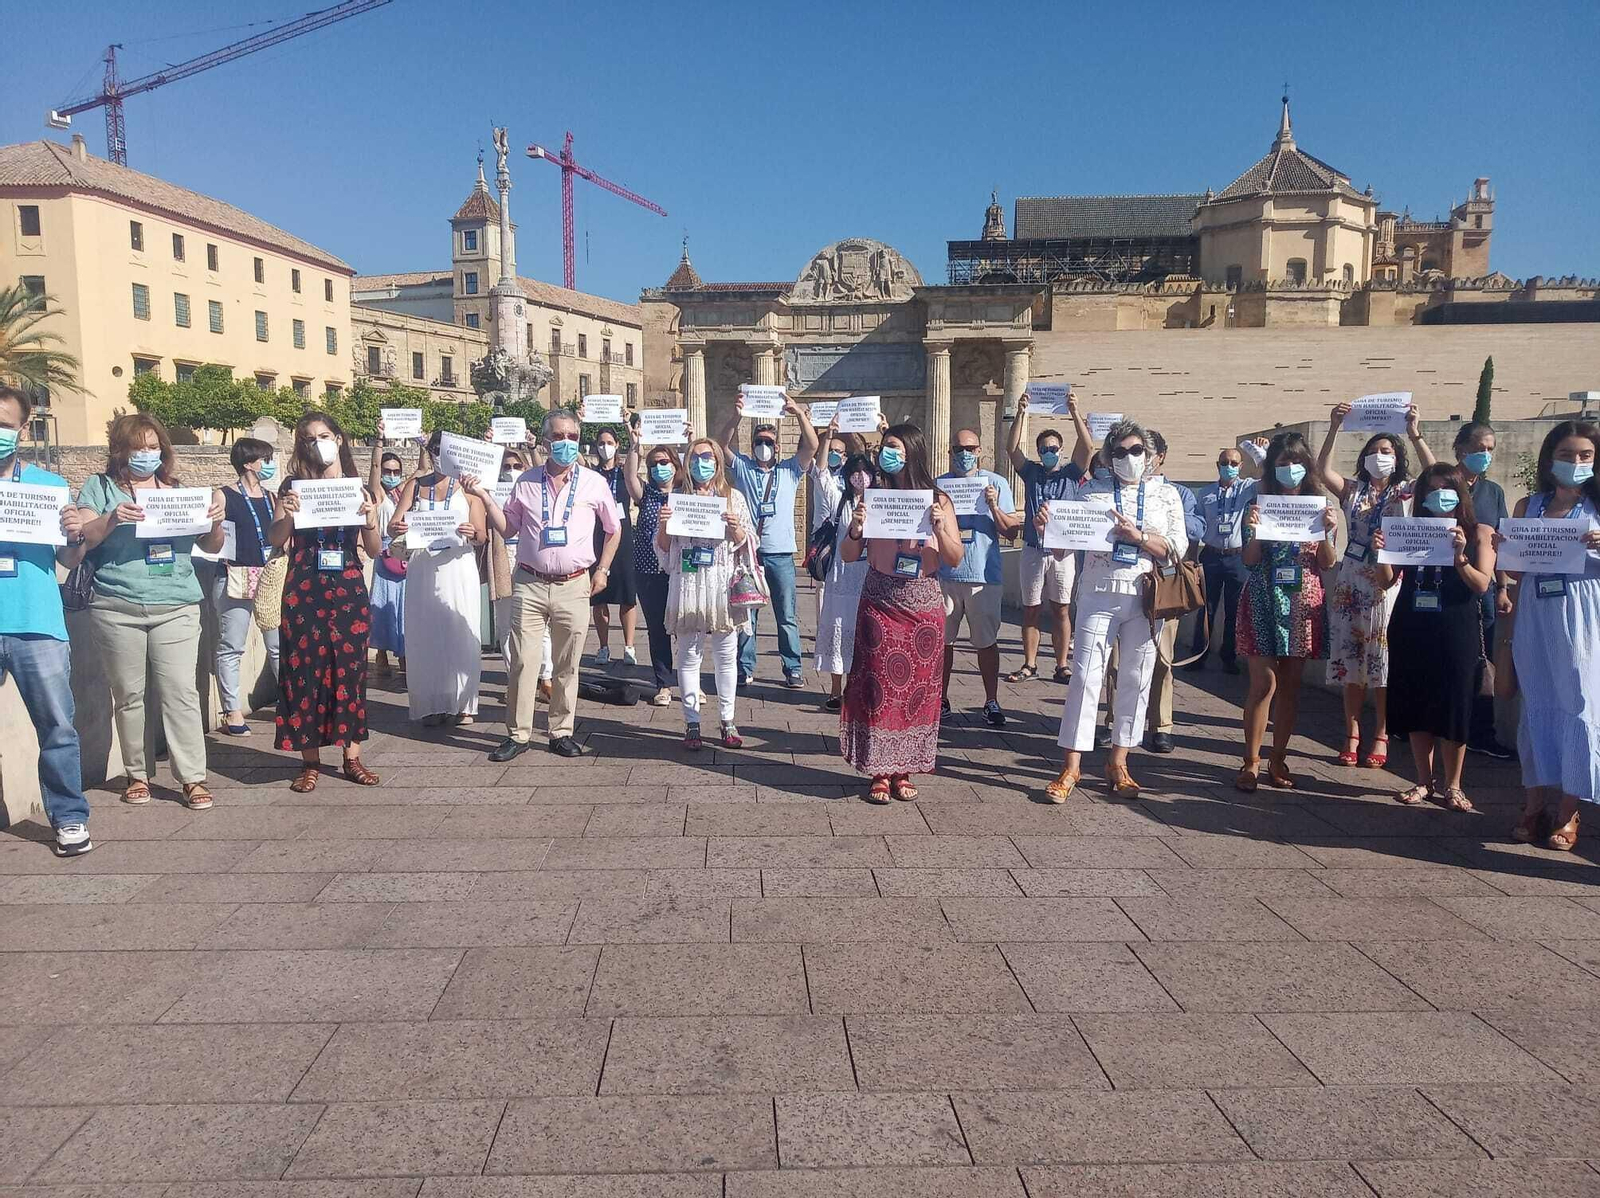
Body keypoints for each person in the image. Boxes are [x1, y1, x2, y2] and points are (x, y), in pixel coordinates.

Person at [76, 413, 225, 810]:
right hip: (116, 605)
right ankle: (137, 774)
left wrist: (215, 522)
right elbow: (83, 538)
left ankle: (192, 777)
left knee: (180, 690)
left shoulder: (177, 490)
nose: (148, 453)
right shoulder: (100, 487)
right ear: (121, 450)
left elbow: (210, 546)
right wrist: (112, 519)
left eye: (154, 446)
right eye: (140, 447)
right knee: (128, 694)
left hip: (176, 603)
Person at [1044, 419, 1187, 803]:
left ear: (1151, 455)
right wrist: (1051, 531)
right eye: (1120, 452)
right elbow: (1063, 548)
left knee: (1136, 678)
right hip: (1097, 593)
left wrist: (1139, 537)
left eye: (1136, 450)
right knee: (1085, 677)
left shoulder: (1167, 495)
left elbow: (1178, 548)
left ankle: (1119, 762)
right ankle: (1071, 765)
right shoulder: (1091, 491)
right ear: (1108, 456)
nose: (1128, 458)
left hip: (1145, 597)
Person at [469, 409, 621, 761]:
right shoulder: (526, 481)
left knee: (568, 662)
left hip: (575, 583)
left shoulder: (593, 482)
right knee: (523, 660)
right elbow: (508, 529)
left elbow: (614, 529)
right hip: (530, 582)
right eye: (558, 436)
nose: (565, 443)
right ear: (545, 440)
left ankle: (561, 731)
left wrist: (604, 570)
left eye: (571, 436)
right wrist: (486, 497)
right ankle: (518, 733)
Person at [840, 423, 963, 802]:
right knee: (879, 685)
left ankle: (904, 768)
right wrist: (857, 529)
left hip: (922, 603)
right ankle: (879, 769)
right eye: (884, 447)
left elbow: (954, 559)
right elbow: (848, 555)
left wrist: (940, 530)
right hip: (880, 600)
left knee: (916, 691)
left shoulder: (938, 500)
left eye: (892, 446)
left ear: (911, 450)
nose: (885, 453)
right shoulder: (874, 497)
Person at [0, 383, 93, 854]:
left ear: (22, 430)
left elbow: (71, 559)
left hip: (37, 623)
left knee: (57, 727)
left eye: (4, 424)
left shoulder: (50, 487)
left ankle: (70, 818)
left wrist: (76, 535)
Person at [268, 412, 383, 792]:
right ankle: (310, 760)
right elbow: (276, 538)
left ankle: (352, 757)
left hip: (347, 587)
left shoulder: (357, 489)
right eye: (308, 437)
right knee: (305, 673)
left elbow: (374, 547)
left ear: (338, 438)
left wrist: (369, 518)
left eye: (323, 435)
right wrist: (288, 510)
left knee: (349, 673)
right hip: (304, 586)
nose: (317, 442)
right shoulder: (292, 486)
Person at [1317, 401, 1433, 770]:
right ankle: (1351, 732)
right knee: (1351, 661)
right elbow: (1323, 471)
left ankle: (1381, 733)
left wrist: (1414, 434)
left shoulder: (1406, 491)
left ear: (1396, 458)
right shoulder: (1354, 491)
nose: (1379, 457)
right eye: (1373, 451)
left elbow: (1436, 474)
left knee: (1381, 661)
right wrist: (1334, 427)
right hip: (1352, 576)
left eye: (1385, 452)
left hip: (1387, 580)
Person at [1373, 463, 1496, 811]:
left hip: (1456, 625)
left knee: (1454, 703)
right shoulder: (1409, 529)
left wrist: (1459, 558)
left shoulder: (1478, 532)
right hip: (1412, 622)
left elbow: (1482, 584)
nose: (1440, 494)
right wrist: (1381, 550)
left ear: (1460, 493)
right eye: (1432, 488)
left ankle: (1453, 785)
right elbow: (1385, 580)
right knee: (1416, 699)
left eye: (1447, 488)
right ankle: (1422, 781)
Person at [1503, 421, 1600, 852]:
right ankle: (1533, 803)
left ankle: (1569, 809)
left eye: (1584, 456)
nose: (1575, 463)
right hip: (1535, 613)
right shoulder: (1530, 505)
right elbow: (1513, 570)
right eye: (1566, 455)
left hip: (1581, 613)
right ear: (1549, 459)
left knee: (1578, 703)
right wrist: (1509, 545)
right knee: (1537, 702)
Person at [1234, 432, 1338, 792]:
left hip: (1301, 601)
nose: (1289, 470)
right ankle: (1251, 761)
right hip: (1263, 596)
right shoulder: (1259, 502)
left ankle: (1278, 758)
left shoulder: (1318, 504)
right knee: (1264, 683)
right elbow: (1249, 561)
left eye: (1295, 463)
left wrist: (1326, 532)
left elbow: (1327, 561)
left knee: (1291, 688)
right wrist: (1256, 531)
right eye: (1282, 464)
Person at [1099, 429, 1201, 753]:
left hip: (1165, 584)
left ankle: (1161, 725)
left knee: (1162, 659)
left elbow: (1196, 529)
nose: (1136, 460)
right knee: (1116, 661)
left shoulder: (1176, 493)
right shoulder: (1114, 490)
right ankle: (1115, 721)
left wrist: (1148, 530)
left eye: (1144, 452)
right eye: (1126, 453)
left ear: (1159, 457)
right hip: (1125, 582)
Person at [655, 438, 754, 748]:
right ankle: (692, 722)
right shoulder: (677, 499)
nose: (702, 463)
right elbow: (664, 550)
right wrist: (663, 526)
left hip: (721, 581)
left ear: (717, 462)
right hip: (688, 582)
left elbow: (749, 544)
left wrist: (736, 528)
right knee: (688, 655)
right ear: (687, 463)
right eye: (696, 458)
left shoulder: (733, 498)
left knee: (726, 655)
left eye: (708, 457)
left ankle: (728, 720)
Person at [718, 392, 819, 688]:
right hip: (749, 552)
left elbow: (812, 446)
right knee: (746, 612)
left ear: (777, 447)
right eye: (759, 441)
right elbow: (721, 446)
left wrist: (799, 414)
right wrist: (736, 415)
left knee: (786, 615)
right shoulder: (744, 468)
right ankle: (745, 666)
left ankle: (792, 668)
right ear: (753, 446)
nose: (764, 446)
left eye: (768, 442)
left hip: (781, 555)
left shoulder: (789, 470)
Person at [388, 431, 488, 726]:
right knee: (426, 635)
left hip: (457, 567)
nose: (439, 456)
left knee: (461, 632)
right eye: (435, 451)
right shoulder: (414, 486)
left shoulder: (469, 490)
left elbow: (482, 535)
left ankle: (464, 704)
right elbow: (395, 524)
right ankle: (432, 702)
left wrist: (473, 532)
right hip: (423, 567)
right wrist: (399, 527)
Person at [1006, 390, 1092, 684]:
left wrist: (1074, 411)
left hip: (1063, 552)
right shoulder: (1031, 472)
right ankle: (1029, 664)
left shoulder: (1071, 473)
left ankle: (1062, 664)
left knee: (1061, 608)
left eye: (1053, 447)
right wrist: (1020, 413)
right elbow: (1012, 448)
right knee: (1031, 609)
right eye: (1044, 448)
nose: (1048, 452)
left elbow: (1088, 446)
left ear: (1061, 449)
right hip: (1033, 548)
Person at [937, 427, 1020, 727]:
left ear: (980, 451)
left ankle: (991, 700)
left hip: (983, 575)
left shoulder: (996, 483)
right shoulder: (939, 486)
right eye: (959, 448)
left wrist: (994, 506)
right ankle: (940, 699)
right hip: (944, 575)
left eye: (970, 448)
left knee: (986, 642)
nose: (964, 454)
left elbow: (1011, 531)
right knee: (942, 643)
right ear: (949, 452)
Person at [1450, 421, 1516, 759]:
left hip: (1484, 590)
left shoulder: (1494, 493)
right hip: (1449, 586)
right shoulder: (1445, 484)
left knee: (1484, 662)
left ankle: (1482, 733)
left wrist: (1502, 587)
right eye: (1479, 448)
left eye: (1490, 449)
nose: (1485, 455)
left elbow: (1500, 542)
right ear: (1461, 450)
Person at [212, 436, 281, 734]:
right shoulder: (224, 495)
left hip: (270, 576)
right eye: (265, 459)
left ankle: (290, 701)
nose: (270, 465)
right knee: (232, 645)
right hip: (234, 575)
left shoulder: (272, 497)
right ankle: (232, 710)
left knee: (278, 646)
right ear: (249, 463)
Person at [1185, 438, 1268, 673]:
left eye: (1233, 462)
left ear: (1240, 466)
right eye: (1224, 462)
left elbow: (1268, 479)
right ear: (1217, 464)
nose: (1229, 466)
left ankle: (1228, 657)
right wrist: (1193, 555)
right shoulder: (1206, 493)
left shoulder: (1248, 487)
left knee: (1234, 610)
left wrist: (1261, 452)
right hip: (1211, 555)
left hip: (1237, 557)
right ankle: (1198, 655)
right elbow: (1196, 525)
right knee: (1206, 608)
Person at [623, 414, 684, 706]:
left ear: (675, 466)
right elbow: (629, 477)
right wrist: (634, 446)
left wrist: (687, 441)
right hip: (648, 570)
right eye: (654, 464)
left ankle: (689, 681)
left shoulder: (687, 496)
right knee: (657, 629)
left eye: (665, 463)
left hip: (683, 570)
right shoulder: (646, 495)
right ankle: (663, 683)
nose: (659, 468)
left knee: (686, 627)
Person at [814, 451, 874, 711]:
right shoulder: (840, 500)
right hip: (840, 576)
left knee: (861, 634)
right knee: (838, 631)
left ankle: (856, 688)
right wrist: (827, 437)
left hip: (866, 575)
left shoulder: (882, 502)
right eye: (854, 472)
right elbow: (821, 474)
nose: (860, 477)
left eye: (865, 472)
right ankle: (836, 689)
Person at [589, 426, 639, 669]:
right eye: (601, 442)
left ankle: (629, 646)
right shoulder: (591, 474)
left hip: (624, 536)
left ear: (617, 445)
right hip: (597, 536)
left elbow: (633, 464)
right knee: (599, 597)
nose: (605, 446)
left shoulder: (623, 473)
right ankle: (603, 646)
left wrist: (633, 438)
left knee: (628, 596)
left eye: (609, 442)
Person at [367, 436, 413, 677]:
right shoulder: (378, 494)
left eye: (396, 471)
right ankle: (382, 651)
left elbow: (423, 471)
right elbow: (374, 471)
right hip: (384, 552)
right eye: (388, 470)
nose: (391, 475)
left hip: (404, 551)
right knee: (382, 603)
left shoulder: (404, 493)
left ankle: (404, 651)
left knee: (404, 604)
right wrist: (379, 444)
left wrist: (422, 442)